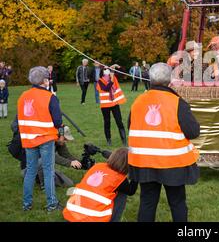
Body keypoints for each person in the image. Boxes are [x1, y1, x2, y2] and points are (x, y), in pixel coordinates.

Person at [128, 63, 200, 222]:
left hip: (144, 161)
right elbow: (193, 132)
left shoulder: (138, 101)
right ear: (170, 80)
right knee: (177, 202)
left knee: (147, 202)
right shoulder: (177, 102)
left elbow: (131, 126)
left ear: (150, 79)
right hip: (172, 163)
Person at [17, 66, 64, 212]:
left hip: (28, 139)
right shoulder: (50, 97)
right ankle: (52, 204)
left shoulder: (23, 96)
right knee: (48, 170)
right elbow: (57, 121)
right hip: (45, 139)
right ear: (44, 81)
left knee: (30, 170)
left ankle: (27, 204)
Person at [63, 147, 138, 222]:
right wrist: (137, 172)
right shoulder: (119, 179)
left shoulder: (97, 166)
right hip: (94, 218)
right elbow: (131, 191)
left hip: (72, 212)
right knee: (122, 194)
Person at [9, 120, 81, 188]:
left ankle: (40, 178)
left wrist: (82, 163)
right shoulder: (46, 141)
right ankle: (43, 186)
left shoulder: (59, 141)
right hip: (28, 168)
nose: (65, 141)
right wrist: (70, 163)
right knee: (44, 160)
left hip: (41, 165)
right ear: (58, 135)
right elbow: (52, 156)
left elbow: (66, 155)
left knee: (69, 183)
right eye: (65, 139)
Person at [97, 68, 127, 146]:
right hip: (105, 105)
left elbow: (122, 74)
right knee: (107, 122)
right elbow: (106, 88)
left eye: (108, 71)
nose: (107, 72)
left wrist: (117, 69)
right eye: (105, 71)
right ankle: (108, 140)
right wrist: (112, 80)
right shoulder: (100, 81)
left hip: (114, 104)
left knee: (119, 121)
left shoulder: (114, 78)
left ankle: (124, 140)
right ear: (102, 73)